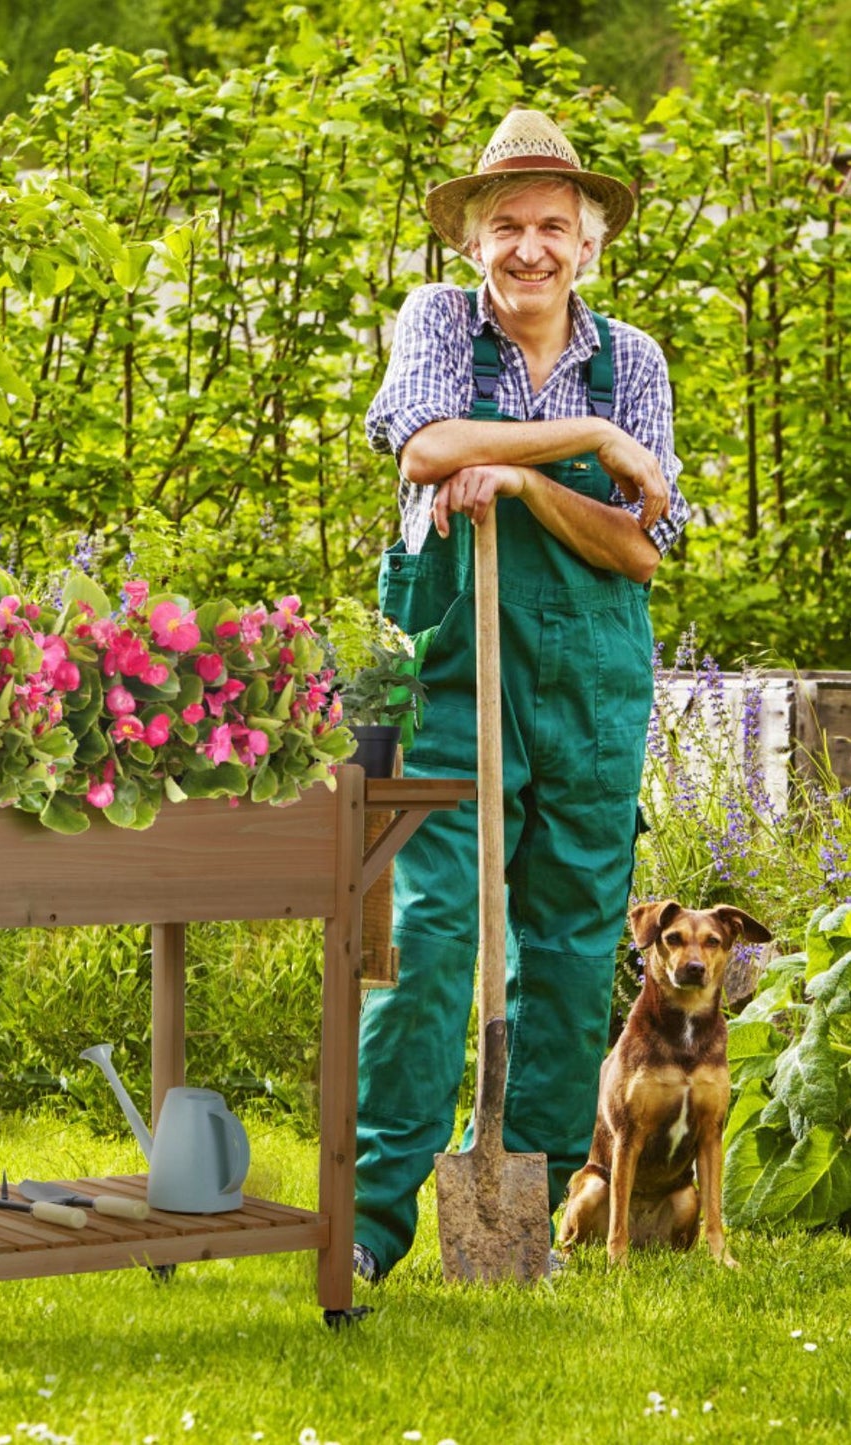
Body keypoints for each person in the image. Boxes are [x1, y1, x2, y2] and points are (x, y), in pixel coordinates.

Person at [353, 108, 691, 1283]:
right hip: (456, 670)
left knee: (565, 941)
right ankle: (370, 1219)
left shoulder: (632, 357)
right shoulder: (437, 322)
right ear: (471, 240)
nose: (530, 247)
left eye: (553, 225)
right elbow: (420, 445)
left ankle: (524, 1196)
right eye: (507, 225)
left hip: (591, 682)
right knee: (429, 933)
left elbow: (639, 548)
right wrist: (585, 440)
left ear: (587, 244)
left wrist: (518, 477)